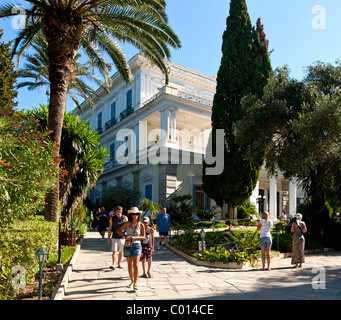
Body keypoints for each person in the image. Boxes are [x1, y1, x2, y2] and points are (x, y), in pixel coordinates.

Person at [117, 207, 145, 291]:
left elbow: (143, 237)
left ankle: (135, 283)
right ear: (130, 215)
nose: (135, 215)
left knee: (136, 265)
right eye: (133, 214)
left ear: (139, 215)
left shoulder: (141, 224)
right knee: (129, 265)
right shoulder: (127, 223)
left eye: (136, 214)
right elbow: (118, 230)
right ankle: (132, 281)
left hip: (137, 245)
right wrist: (125, 236)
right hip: (128, 245)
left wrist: (134, 237)